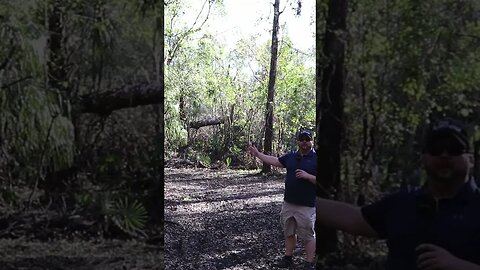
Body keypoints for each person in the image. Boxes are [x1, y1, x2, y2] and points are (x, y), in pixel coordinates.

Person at [315, 117, 480, 270]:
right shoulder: (403, 204)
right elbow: (355, 218)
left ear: (471, 160)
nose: (444, 155)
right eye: (436, 149)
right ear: (424, 158)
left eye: (455, 149)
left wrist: (459, 266)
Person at [247, 130, 317, 270]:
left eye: (307, 139)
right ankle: (288, 257)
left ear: (311, 141)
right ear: (297, 141)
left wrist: (308, 176)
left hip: (307, 205)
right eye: (301, 139)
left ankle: (310, 262)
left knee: (308, 235)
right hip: (288, 203)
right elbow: (276, 161)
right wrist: (258, 154)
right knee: (289, 232)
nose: (304, 142)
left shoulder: (317, 158)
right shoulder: (291, 157)